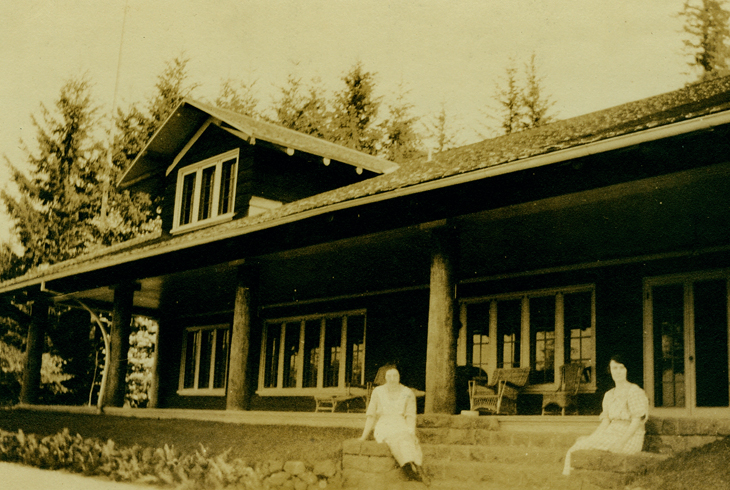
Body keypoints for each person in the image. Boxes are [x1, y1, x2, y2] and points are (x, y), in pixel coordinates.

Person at [562, 354, 649, 476]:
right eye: (614, 368)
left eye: (621, 368)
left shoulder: (634, 391)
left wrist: (621, 442)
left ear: (627, 370)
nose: (618, 372)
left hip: (630, 437)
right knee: (577, 447)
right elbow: (606, 422)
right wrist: (592, 437)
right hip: (612, 433)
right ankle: (568, 479)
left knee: (590, 449)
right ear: (610, 370)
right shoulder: (609, 395)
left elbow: (636, 422)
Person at [359, 365, 427, 483]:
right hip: (384, 425)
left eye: (395, 376)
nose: (392, 379)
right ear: (385, 378)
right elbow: (371, 415)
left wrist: (411, 432)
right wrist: (364, 436)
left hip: (401, 423)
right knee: (395, 439)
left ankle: (420, 470)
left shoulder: (407, 392)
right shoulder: (378, 391)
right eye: (389, 376)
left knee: (409, 439)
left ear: (399, 377)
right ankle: (408, 469)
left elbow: (410, 416)